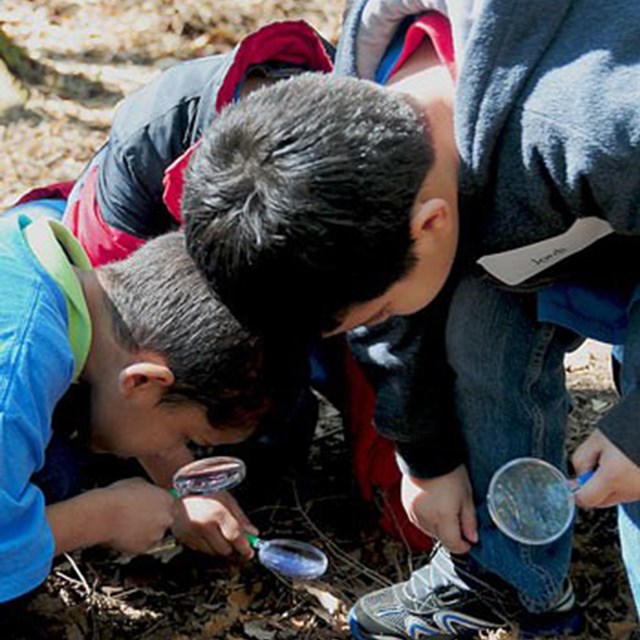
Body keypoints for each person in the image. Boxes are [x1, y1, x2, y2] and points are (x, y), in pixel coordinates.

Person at [178, 0, 640, 637]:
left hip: (609, 185)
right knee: (479, 326)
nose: (379, 319)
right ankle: (506, 578)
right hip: (561, 210)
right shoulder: (359, 125)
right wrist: (426, 458)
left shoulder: (601, 121)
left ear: (430, 224)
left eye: (382, 305)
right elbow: (383, 314)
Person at [18, 19, 431, 554]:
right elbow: (112, 326)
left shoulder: (364, 207)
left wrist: (418, 480)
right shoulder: (151, 145)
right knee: (60, 474)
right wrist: (129, 502)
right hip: (132, 349)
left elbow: (394, 354)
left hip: (158, 369)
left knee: (273, 441)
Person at [0, 209, 267, 609]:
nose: (181, 449)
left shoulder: (44, 250)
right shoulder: (16, 375)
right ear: (142, 381)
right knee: (60, 475)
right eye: (186, 438)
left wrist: (178, 483)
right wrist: (99, 517)